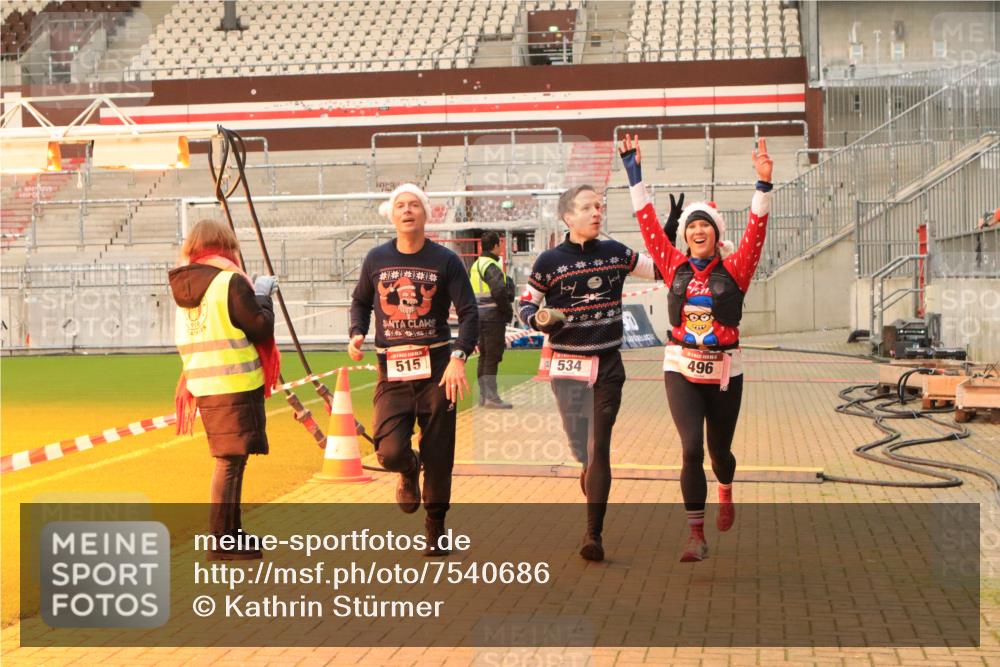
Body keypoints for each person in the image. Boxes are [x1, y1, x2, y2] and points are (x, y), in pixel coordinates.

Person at [619, 135, 773, 563]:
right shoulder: (673, 266)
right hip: (679, 366)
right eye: (691, 226)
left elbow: (757, 232)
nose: (697, 230)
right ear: (685, 236)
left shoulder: (737, 269)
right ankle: (695, 535)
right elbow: (649, 224)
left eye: (704, 225)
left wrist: (763, 185)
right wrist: (634, 172)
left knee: (718, 452)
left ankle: (725, 487)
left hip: (725, 372)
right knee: (689, 448)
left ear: (715, 234)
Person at [518, 184, 660, 562]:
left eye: (599, 206)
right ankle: (586, 467)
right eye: (587, 207)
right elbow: (525, 304)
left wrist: (668, 232)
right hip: (566, 368)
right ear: (568, 217)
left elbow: (659, 267)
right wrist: (538, 319)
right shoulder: (549, 261)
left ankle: (592, 534)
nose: (596, 212)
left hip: (608, 366)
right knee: (581, 446)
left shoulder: (616, 252)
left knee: (600, 448)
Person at [348, 183, 478, 557]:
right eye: (400, 205)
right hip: (392, 370)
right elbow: (360, 302)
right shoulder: (376, 259)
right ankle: (408, 468)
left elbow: (469, 313)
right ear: (392, 214)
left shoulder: (446, 260)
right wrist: (356, 333)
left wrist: (459, 357)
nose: (407, 210)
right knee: (387, 451)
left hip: (438, 368)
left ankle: (435, 525)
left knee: (440, 450)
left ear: (426, 213)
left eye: (414, 205)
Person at [169, 219, 280, 561]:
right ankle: (222, 539)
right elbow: (260, 327)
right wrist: (262, 295)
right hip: (235, 381)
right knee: (229, 463)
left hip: (204, 383)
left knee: (232, 460)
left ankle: (232, 533)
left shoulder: (185, 286)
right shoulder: (228, 280)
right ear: (225, 245)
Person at [469, 230, 514, 409]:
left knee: (484, 356)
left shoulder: (476, 264)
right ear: (497, 245)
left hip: (479, 317)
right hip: (493, 318)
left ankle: (483, 396)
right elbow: (499, 291)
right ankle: (491, 397)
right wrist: (507, 311)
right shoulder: (490, 265)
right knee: (492, 357)